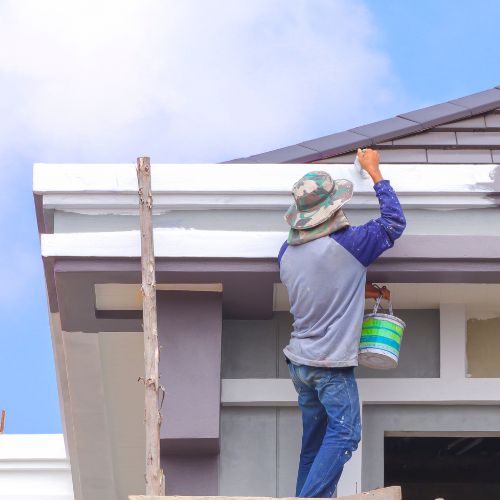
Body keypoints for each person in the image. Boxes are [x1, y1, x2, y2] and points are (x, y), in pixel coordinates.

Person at [278, 148, 406, 498]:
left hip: (300, 362)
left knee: (315, 442)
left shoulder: (286, 254)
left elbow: (323, 285)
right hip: (328, 364)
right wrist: (375, 172)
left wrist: (361, 291)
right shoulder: (351, 243)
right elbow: (394, 222)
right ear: (333, 209)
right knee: (346, 432)